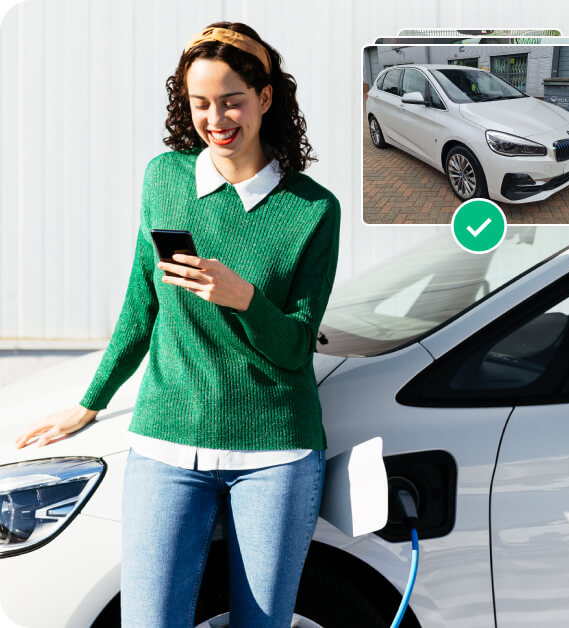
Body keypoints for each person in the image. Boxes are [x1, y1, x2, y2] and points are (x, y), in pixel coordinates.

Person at [13, 21, 341, 628]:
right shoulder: (165, 178)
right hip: (166, 445)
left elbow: (296, 348)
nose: (216, 118)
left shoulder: (313, 209)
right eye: (200, 103)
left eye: (232, 100)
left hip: (276, 451)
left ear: (265, 98)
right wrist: (90, 402)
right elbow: (142, 303)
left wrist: (244, 298)